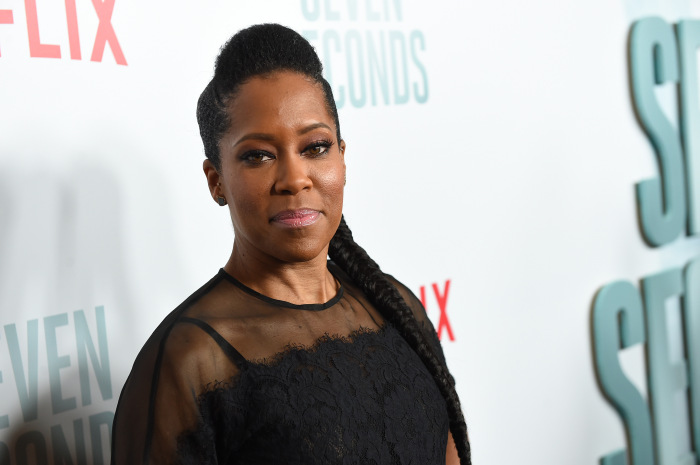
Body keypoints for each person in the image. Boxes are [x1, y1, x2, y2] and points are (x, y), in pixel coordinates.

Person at [111, 23, 472, 465]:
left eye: (315, 147)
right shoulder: (190, 361)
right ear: (216, 180)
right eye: (258, 156)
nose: (294, 178)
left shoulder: (397, 307)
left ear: (342, 157)